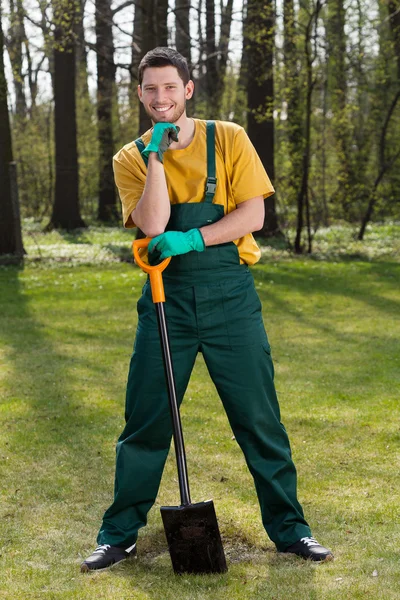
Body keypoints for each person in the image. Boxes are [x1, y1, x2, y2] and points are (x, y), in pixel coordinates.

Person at [81, 47, 333, 572]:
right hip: (165, 301)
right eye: (151, 89)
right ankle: (119, 535)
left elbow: (254, 214)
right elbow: (153, 225)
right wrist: (155, 155)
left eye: (170, 87)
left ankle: (291, 531)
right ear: (140, 95)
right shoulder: (129, 156)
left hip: (230, 298)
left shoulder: (229, 138)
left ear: (188, 89)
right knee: (145, 422)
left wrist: (193, 239)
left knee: (259, 419)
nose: (161, 98)